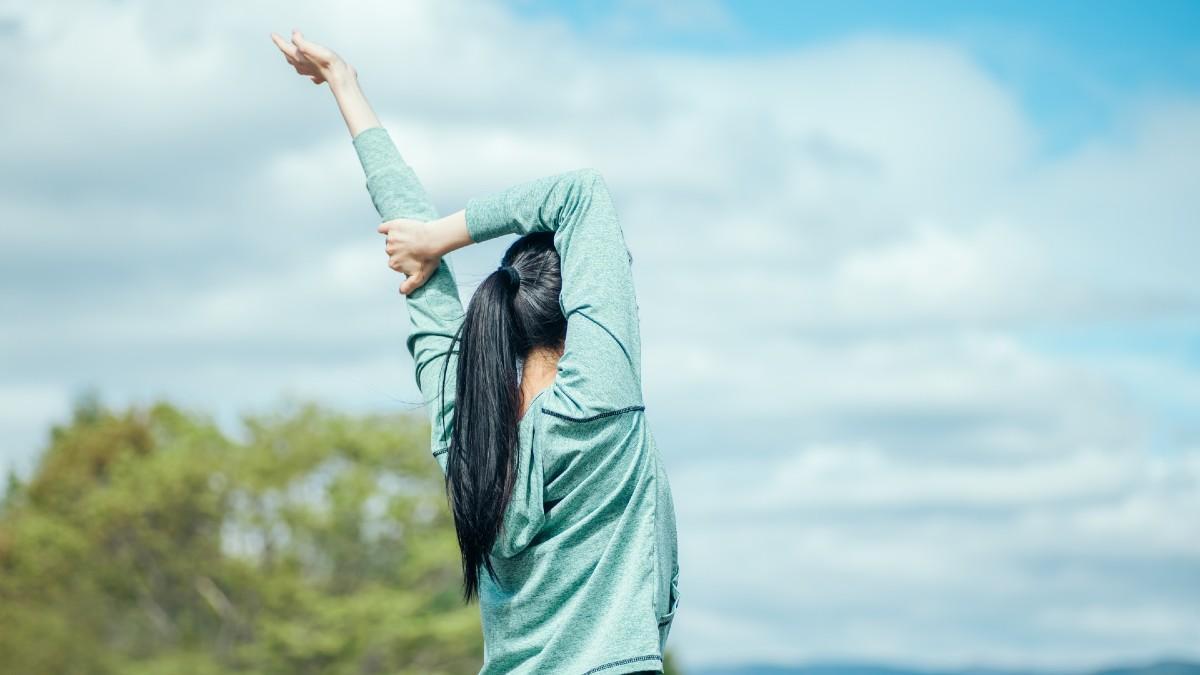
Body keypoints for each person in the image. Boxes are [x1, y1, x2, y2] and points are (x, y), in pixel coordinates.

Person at [271, 29, 680, 675]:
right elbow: (582, 194)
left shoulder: (468, 434)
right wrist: (432, 235)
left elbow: (417, 272)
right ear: (585, 309)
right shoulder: (602, 397)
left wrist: (348, 91)